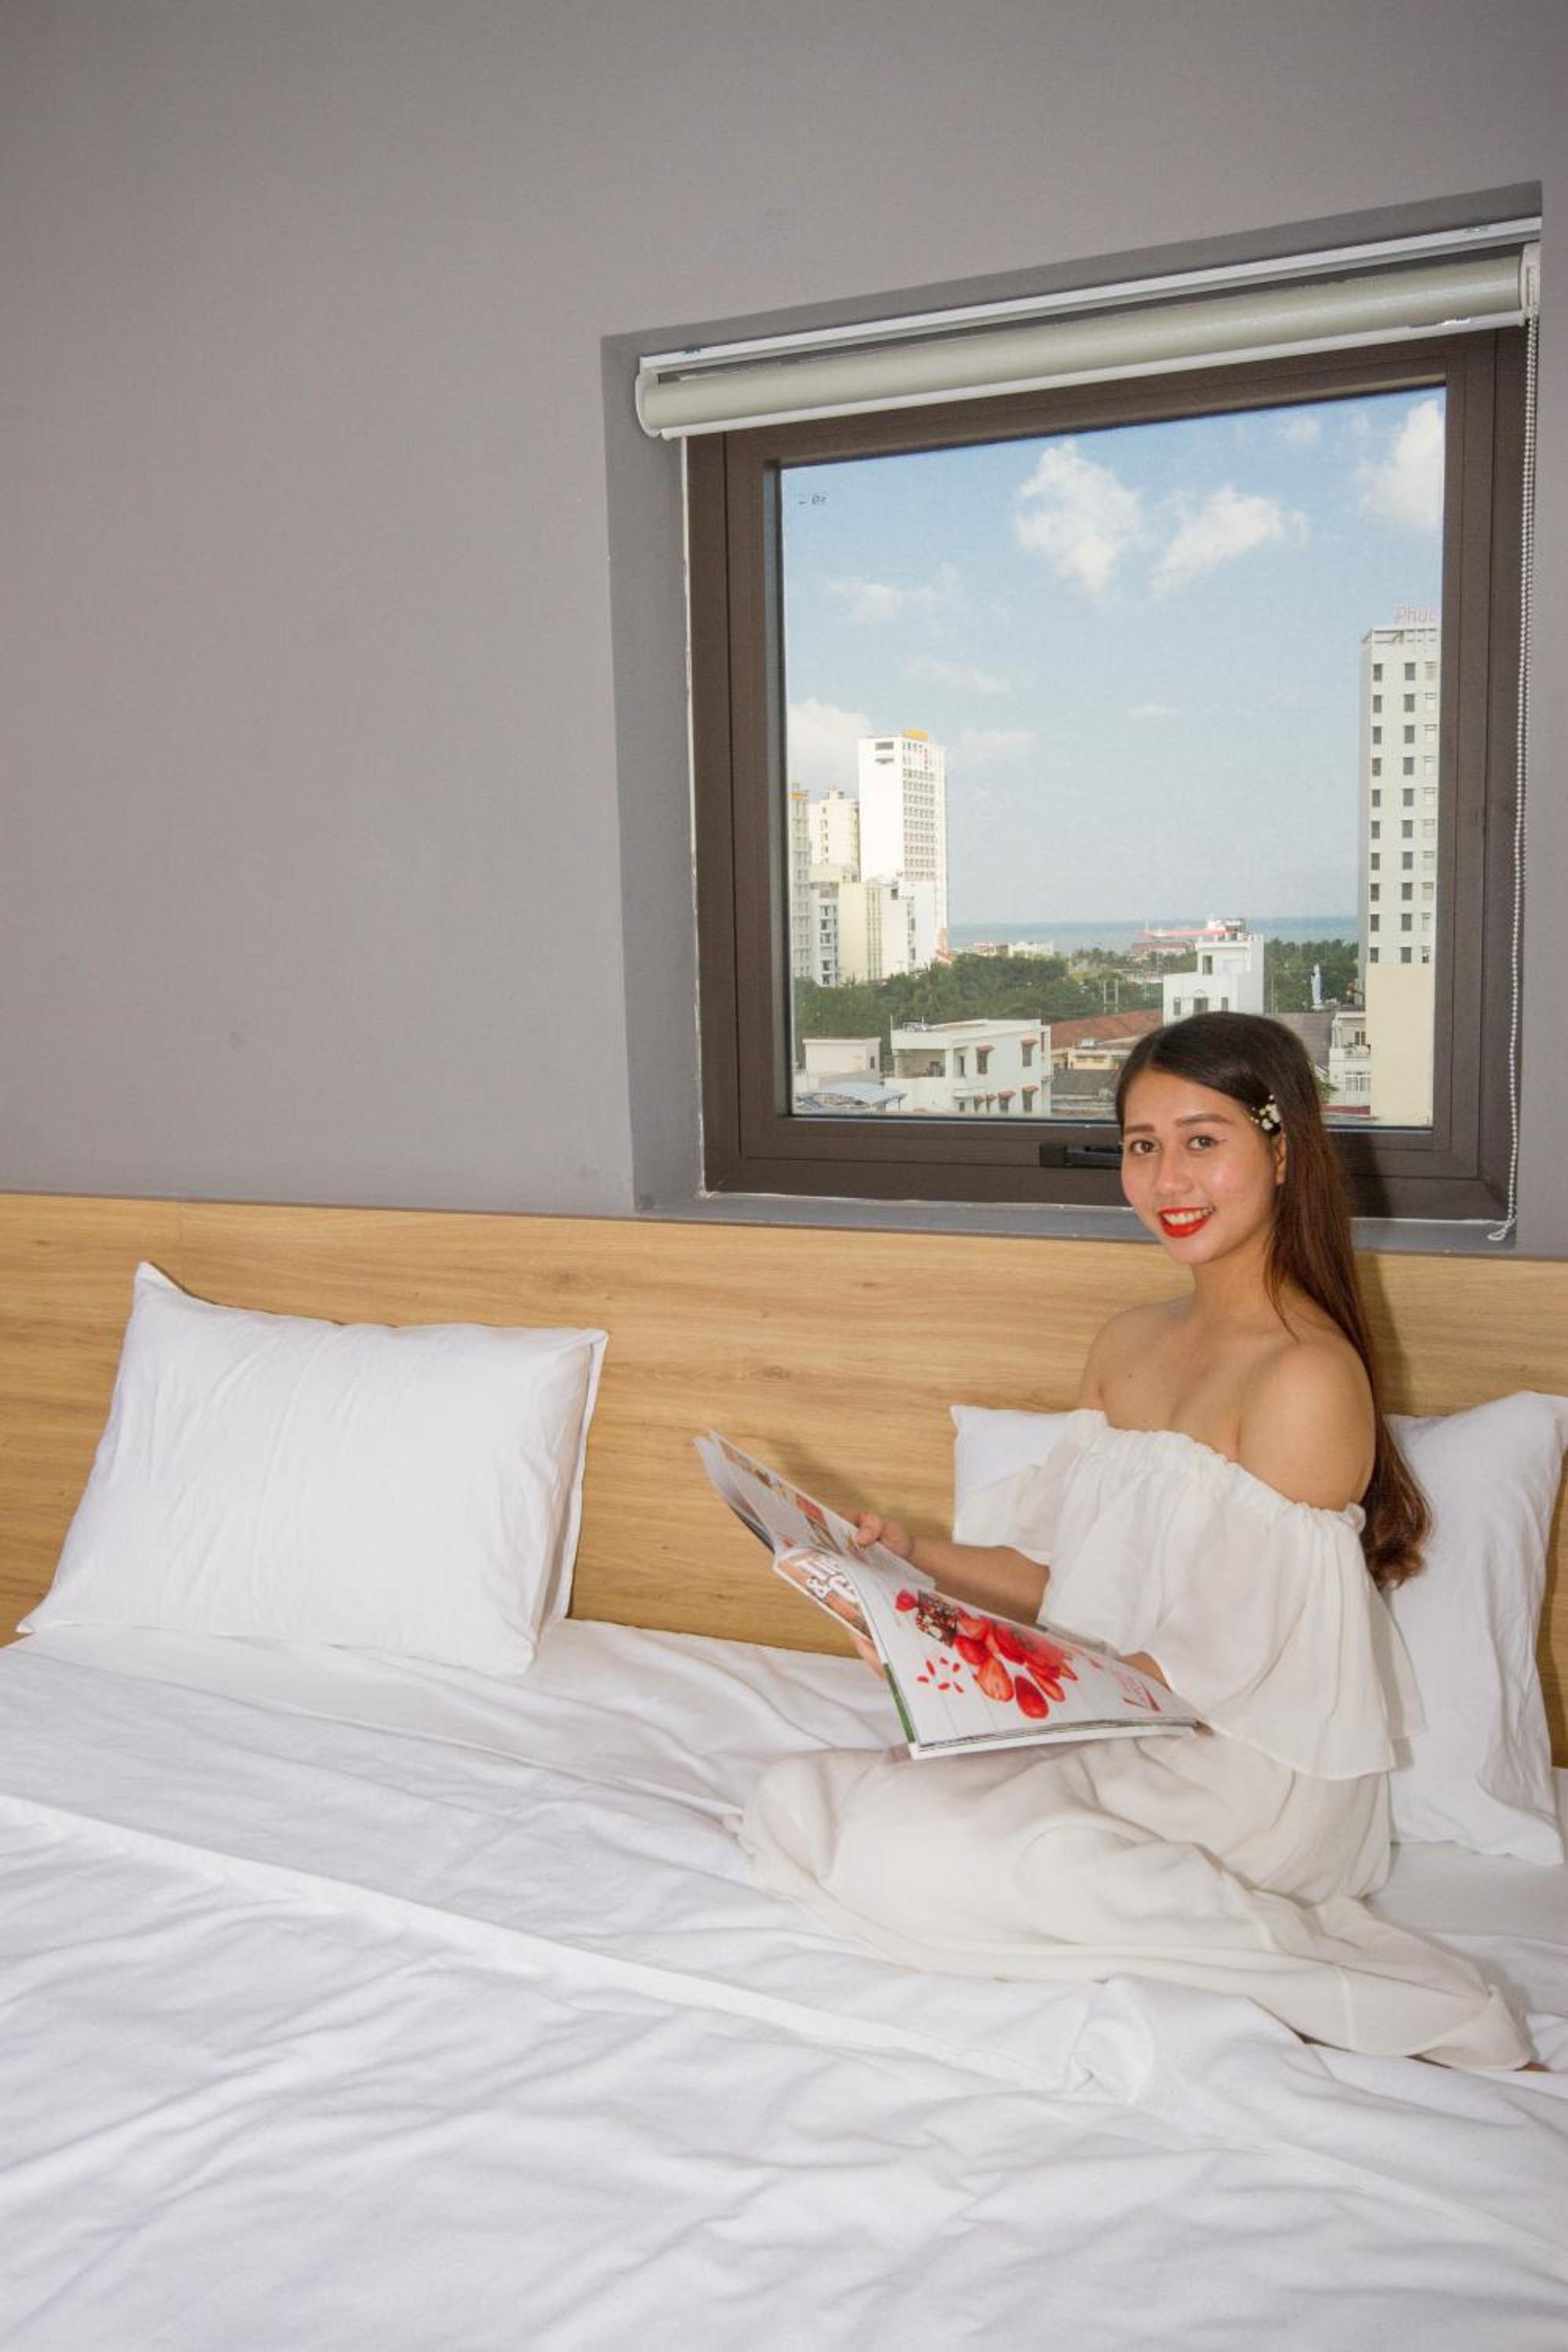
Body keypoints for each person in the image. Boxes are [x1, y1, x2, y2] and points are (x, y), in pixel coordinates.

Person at [737, 1011, 1534, 2070]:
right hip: (1109, 1713)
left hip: (1244, 1763)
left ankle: (1326, 1972)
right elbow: (1049, 1574)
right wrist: (898, 1562)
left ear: (1282, 1152)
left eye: (1203, 1139)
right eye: (1142, 1145)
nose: (1168, 1179)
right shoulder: (1126, 1342)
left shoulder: (1307, 1375)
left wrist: (968, 1667)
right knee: (800, 1799)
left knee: (917, 1843)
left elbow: (1213, 1670)